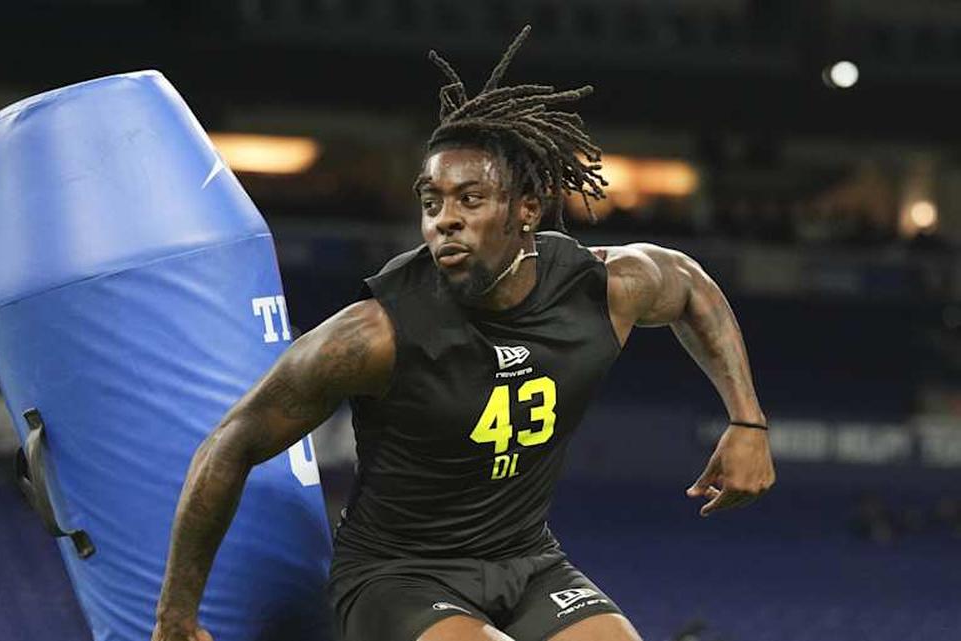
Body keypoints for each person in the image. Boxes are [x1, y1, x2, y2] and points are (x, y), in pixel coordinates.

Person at [152, 26, 775, 641]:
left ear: (526, 208)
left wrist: (747, 421)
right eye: (432, 202)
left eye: (470, 200)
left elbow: (691, 286)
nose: (445, 220)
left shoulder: (603, 288)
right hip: (396, 579)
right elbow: (229, 444)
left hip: (528, 563)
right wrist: (176, 616)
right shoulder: (374, 334)